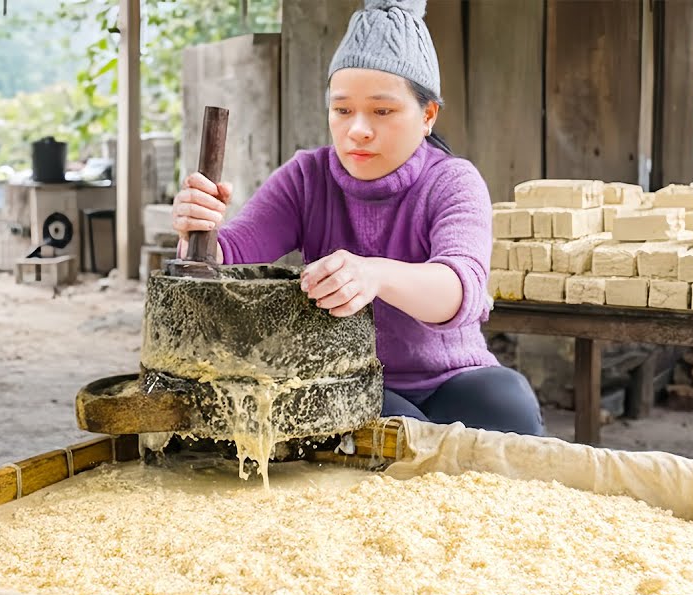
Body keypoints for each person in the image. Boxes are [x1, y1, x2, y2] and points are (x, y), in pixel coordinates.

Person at [171, 0, 543, 436]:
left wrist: (375, 275)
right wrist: (199, 229)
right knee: (394, 429)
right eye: (342, 109)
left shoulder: (453, 182)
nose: (358, 129)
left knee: (509, 406)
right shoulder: (306, 178)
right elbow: (227, 258)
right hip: (345, 377)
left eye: (382, 111)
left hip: (452, 377)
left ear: (427, 115)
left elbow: (460, 290)